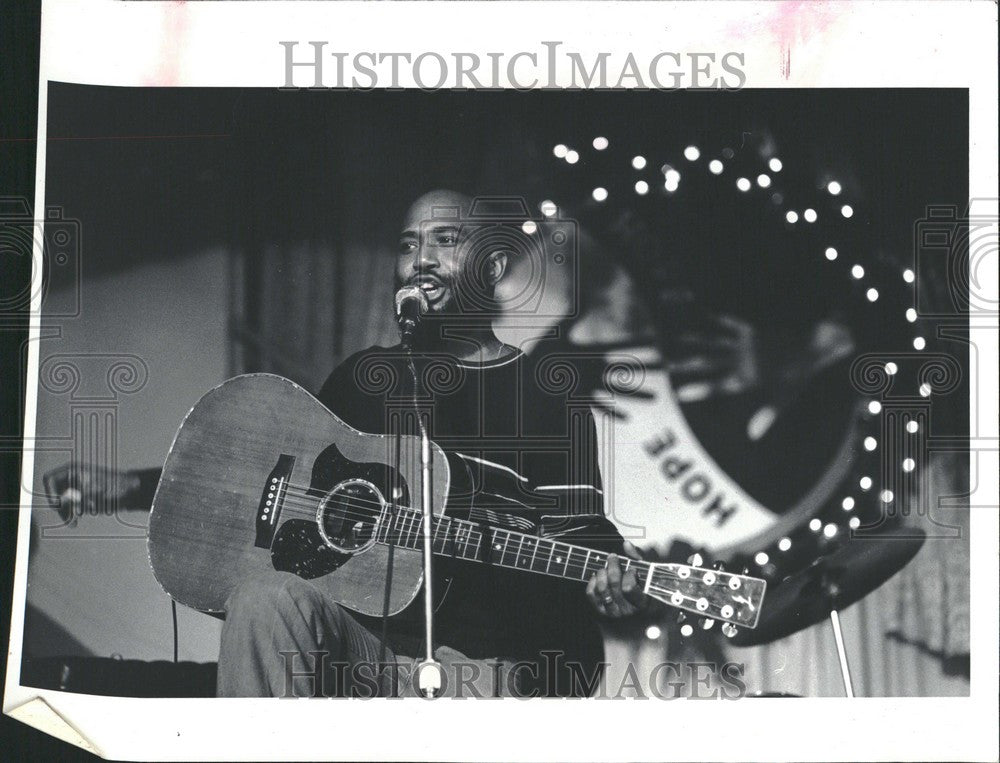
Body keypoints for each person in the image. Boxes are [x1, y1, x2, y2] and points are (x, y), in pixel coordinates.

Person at [47, 189, 648, 698]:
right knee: (264, 598)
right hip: (366, 653)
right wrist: (127, 489)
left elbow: (580, 531)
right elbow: (261, 482)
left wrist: (615, 575)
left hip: (485, 669)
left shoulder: (541, 393)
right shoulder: (366, 378)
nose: (421, 260)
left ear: (492, 269)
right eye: (409, 244)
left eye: (445, 240)